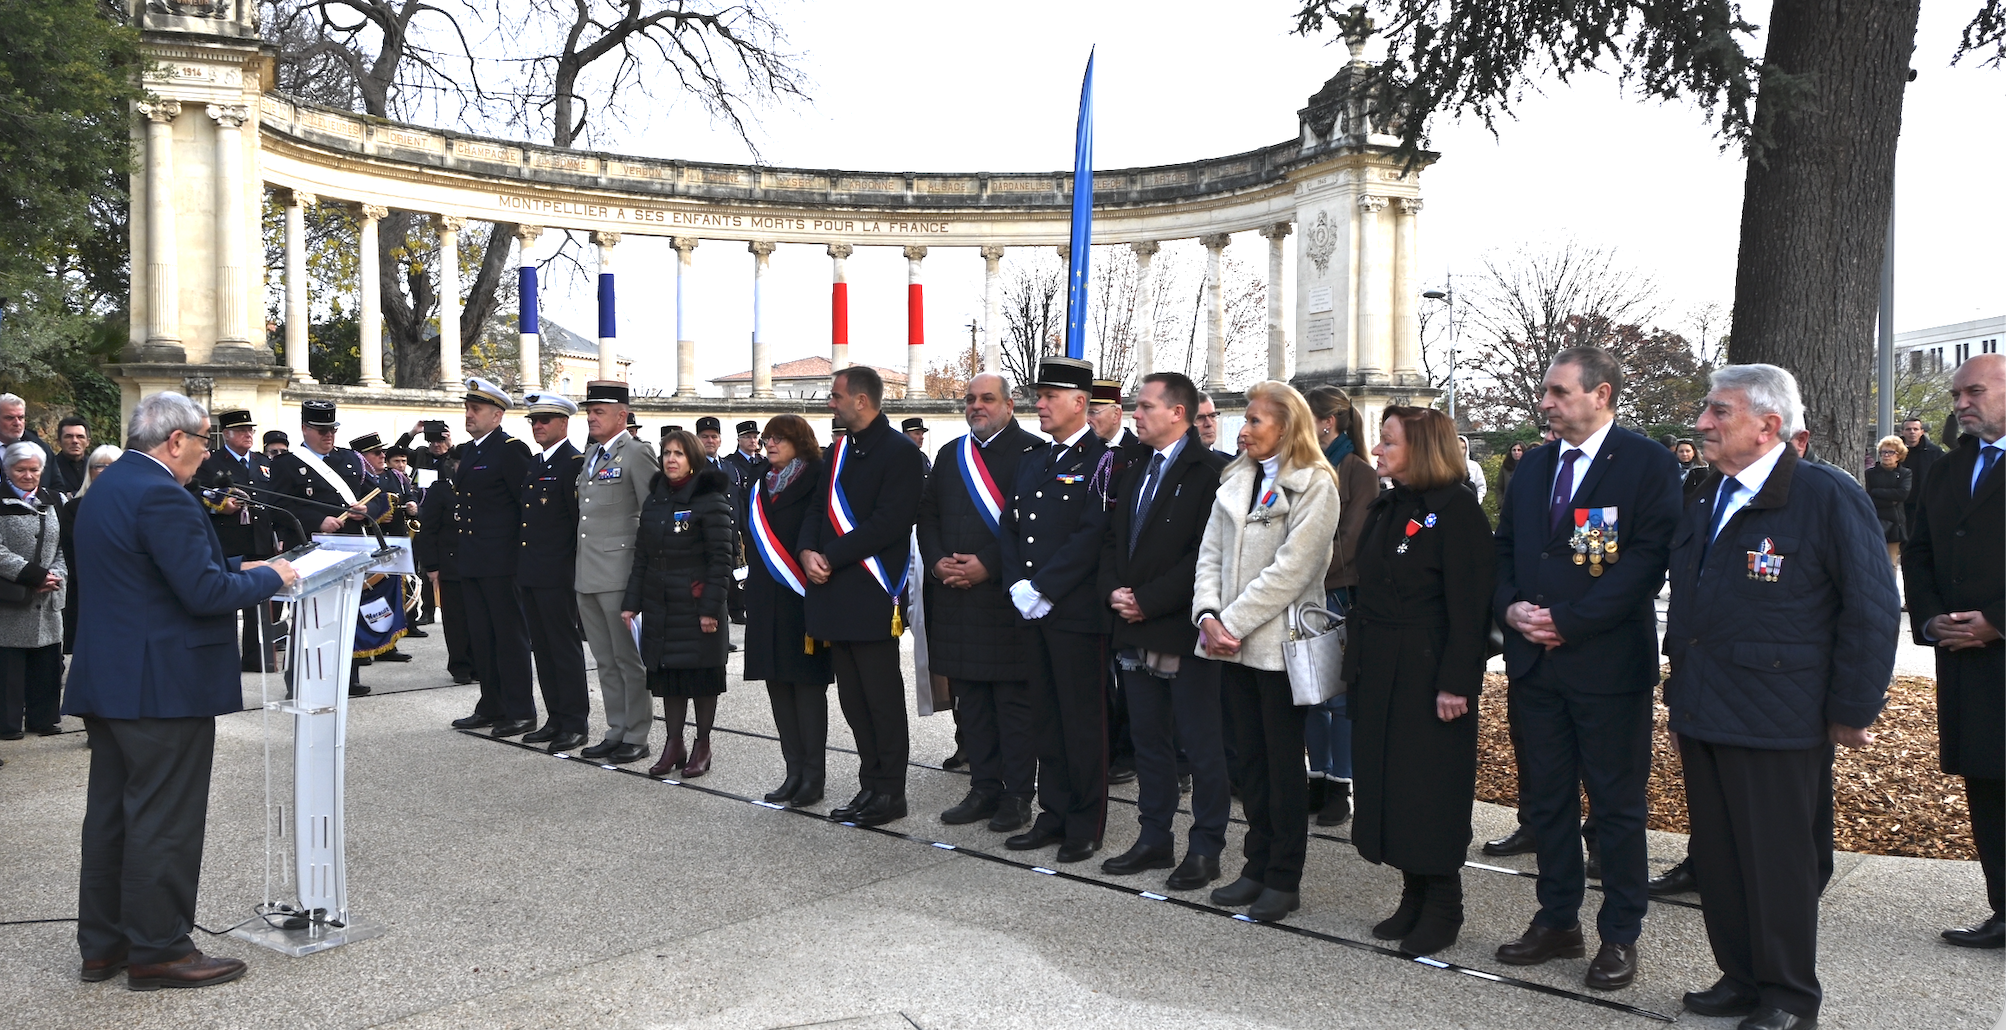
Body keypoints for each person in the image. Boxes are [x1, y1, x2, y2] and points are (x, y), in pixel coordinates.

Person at [1665, 364, 1896, 1029]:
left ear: (1769, 425)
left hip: (1779, 714)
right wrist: (1680, 695)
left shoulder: (1825, 494)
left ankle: (1789, 997)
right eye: (1706, 410)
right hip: (1706, 707)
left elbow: (1871, 609)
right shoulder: (1708, 492)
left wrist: (1853, 708)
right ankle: (1741, 978)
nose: (1702, 423)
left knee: (1778, 864)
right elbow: (1692, 605)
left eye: (1719, 411)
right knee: (1720, 858)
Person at [64, 391, 296, 990]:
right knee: (164, 818)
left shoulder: (110, 486)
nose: (205, 454)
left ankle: (105, 945)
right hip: (162, 683)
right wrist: (272, 575)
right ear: (175, 441)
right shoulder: (163, 493)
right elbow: (203, 595)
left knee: (112, 816)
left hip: (113, 676)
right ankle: (160, 949)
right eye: (202, 442)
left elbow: (152, 572)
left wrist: (237, 570)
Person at [1491, 346, 1680, 991]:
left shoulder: (1646, 463)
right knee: (1546, 801)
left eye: (1559, 392)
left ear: (1601, 395)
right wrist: (1510, 607)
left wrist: (1570, 622)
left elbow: (1646, 560)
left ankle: (1620, 933)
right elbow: (1505, 548)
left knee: (1616, 807)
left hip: (1606, 667)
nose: (1545, 402)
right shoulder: (1535, 465)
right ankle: (1557, 920)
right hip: (1534, 666)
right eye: (1546, 391)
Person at [1348, 405, 1495, 955]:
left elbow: (1471, 605)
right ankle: (1412, 893)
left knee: (1429, 786)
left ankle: (1443, 904)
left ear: (1423, 449)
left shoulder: (1457, 511)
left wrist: (1457, 681)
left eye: (1388, 441)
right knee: (1390, 782)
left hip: (1428, 670)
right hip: (1380, 664)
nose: (1378, 450)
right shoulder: (1390, 504)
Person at [1195, 380, 1341, 923]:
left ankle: (1284, 876)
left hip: (1278, 650)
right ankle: (1255, 865)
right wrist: (1207, 616)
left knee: (1282, 769)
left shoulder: (1315, 485)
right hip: (1229, 646)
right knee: (1250, 765)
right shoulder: (1236, 478)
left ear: (1287, 427)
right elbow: (1209, 555)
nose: (1244, 430)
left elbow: (1293, 570)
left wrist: (1229, 623)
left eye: (1255, 420)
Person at [1096, 372, 1231, 889]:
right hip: (1132, 628)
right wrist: (1115, 592)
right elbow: (1113, 540)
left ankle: (1206, 847)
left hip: (1182, 631)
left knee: (1199, 744)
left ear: (1178, 413)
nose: (1136, 414)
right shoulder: (1133, 467)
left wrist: (1148, 602)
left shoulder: (1211, 472)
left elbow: (1205, 555)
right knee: (1149, 741)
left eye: (1146, 406)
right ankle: (1154, 838)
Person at [1903, 352, 2006, 950]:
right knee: (1988, 785)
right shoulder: (1947, 468)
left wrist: (1998, 622)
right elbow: (1919, 551)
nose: (1960, 404)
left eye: (1974, 392)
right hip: (1966, 661)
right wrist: (1930, 616)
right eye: (1955, 395)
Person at [1000, 356, 1116, 863]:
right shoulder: (1033, 458)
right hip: (1032, 610)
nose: (1040, 404)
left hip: (1074, 613)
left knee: (1081, 721)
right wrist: (1017, 586)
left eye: (1049, 397)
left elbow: (1092, 534)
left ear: (1079, 403)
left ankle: (1085, 822)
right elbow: (1010, 526)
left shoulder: (1103, 462)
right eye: (1039, 396)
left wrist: (1044, 588)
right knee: (1045, 717)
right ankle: (1053, 813)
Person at [799, 365, 927, 827]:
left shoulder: (901, 453)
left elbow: (889, 523)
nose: (830, 403)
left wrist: (829, 556)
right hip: (834, 592)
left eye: (836, 396)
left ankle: (891, 791)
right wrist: (806, 551)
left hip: (871, 594)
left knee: (880, 700)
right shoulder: (838, 451)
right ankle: (869, 784)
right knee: (853, 701)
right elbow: (817, 509)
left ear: (861, 400)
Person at [918, 373, 1043, 832]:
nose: (977, 406)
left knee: (1012, 707)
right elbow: (927, 515)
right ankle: (983, 787)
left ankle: (1017, 795)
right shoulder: (951, 454)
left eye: (987, 399)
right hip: (956, 599)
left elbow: (1034, 527)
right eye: (970, 399)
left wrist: (988, 565)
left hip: (1005, 600)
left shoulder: (1033, 453)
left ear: (1009, 405)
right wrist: (937, 563)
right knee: (971, 703)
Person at [626, 429, 735, 779]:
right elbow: (642, 556)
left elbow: (722, 560)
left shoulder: (710, 499)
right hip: (661, 601)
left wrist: (710, 609)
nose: (670, 460)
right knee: (669, 675)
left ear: (693, 459)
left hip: (696, 601)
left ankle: (702, 745)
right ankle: (674, 743)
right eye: (666, 453)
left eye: (679, 454)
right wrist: (632, 602)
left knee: (701, 677)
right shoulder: (655, 499)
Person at [743, 415, 833, 807]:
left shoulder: (817, 477)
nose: (770, 444)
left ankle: (813, 776)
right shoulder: (760, 481)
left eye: (779, 438)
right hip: (766, 598)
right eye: (767, 438)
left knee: (807, 690)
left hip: (803, 598)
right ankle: (793, 771)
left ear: (800, 441)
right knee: (777, 686)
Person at [447, 378, 538, 737]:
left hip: (503, 562)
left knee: (510, 638)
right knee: (482, 637)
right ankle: (491, 704)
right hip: (473, 559)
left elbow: (525, 508)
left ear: (497, 415)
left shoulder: (510, 450)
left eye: (476, 409)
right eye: (467, 408)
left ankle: (520, 710)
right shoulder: (470, 451)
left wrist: (522, 557)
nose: (468, 415)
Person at [1306, 385, 1380, 827]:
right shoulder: (1303, 467)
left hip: (1337, 592)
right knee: (1309, 695)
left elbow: (1351, 540)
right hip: (1303, 593)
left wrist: (1301, 569)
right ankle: (1316, 776)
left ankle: (1340, 784)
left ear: (1327, 423)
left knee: (1336, 698)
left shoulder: (1358, 472)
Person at [575, 381, 659, 766]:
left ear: (622, 416)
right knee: (605, 660)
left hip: (620, 572)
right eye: (589, 412)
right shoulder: (592, 454)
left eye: (599, 412)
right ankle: (616, 730)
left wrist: (644, 575)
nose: (591, 418)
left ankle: (637, 734)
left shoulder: (637, 453)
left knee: (628, 659)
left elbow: (652, 513)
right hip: (587, 572)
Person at [516, 393, 589, 754]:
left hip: (558, 572)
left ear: (563, 423)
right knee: (542, 649)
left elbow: (577, 525)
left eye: (545, 420)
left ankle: (574, 723)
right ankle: (555, 717)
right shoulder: (535, 463)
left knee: (563, 648)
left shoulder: (573, 464)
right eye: (534, 420)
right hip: (532, 571)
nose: (538, 426)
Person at [191, 410, 283, 673]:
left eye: (250, 430)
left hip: (260, 540)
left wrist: (278, 536)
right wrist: (218, 507)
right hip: (227, 541)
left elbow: (273, 500)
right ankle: (225, 658)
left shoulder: (262, 461)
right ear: (227, 434)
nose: (248, 435)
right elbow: (195, 496)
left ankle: (256, 657)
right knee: (227, 601)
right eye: (242, 430)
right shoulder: (210, 462)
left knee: (259, 600)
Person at [1, 443, 65, 741]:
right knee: (9, 666)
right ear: (7, 470)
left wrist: (55, 576)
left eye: (34, 469)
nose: (28, 475)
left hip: (48, 597)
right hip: (11, 596)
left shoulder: (54, 500)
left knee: (47, 661)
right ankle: (8, 723)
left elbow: (63, 547)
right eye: (20, 470)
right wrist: (34, 576)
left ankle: (44, 719)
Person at [411, 451, 475, 686]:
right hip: (450, 564)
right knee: (456, 619)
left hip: (477, 562)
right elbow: (428, 531)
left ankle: (480, 664)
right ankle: (460, 665)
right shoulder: (441, 490)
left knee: (478, 619)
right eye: (459, 463)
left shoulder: (478, 488)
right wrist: (432, 566)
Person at [59, 445, 120, 655]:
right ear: (89, 470)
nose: (104, 471)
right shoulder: (73, 509)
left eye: (112, 466)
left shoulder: (134, 506)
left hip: (124, 595)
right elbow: (71, 554)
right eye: (98, 466)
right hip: (85, 594)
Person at [1864, 435, 1912, 572]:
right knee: (1873, 562)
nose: (1886, 455)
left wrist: (1876, 492)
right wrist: (1890, 499)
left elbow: (1903, 494)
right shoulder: (1870, 474)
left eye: (1890, 452)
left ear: (1899, 455)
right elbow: (1868, 496)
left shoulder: (1905, 473)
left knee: (1891, 564)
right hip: (1875, 520)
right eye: (1883, 452)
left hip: (1895, 523)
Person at [1900, 415, 1945, 536]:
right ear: (1902, 432)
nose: (1912, 432)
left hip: (1926, 504)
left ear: (1922, 432)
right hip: (1900, 505)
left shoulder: (1935, 452)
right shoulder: (1895, 451)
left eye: (1916, 429)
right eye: (1908, 429)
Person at [0, 394, 57, 472]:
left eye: (21, 418)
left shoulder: (40, 447)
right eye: (10, 418)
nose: (17, 423)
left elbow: (55, 479)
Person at [50, 417, 90, 498]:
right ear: (59, 442)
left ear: (88, 442)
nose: (75, 441)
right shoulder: (50, 468)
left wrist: (72, 495)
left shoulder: (95, 466)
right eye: (68, 436)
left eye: (80, 437)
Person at [1195, 393, 1230, 457]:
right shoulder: (1175, 461)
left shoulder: (1230, 462)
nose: (1209, 423)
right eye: (1200, 418)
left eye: (1212, 416)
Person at [1459, 435, 1487, 502]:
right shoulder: (1447, 466)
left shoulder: (1474, 466)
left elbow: (1481, 486)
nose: (1460, 450)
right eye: (1457, 447)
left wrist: (1477, 501)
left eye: (1463, 448)